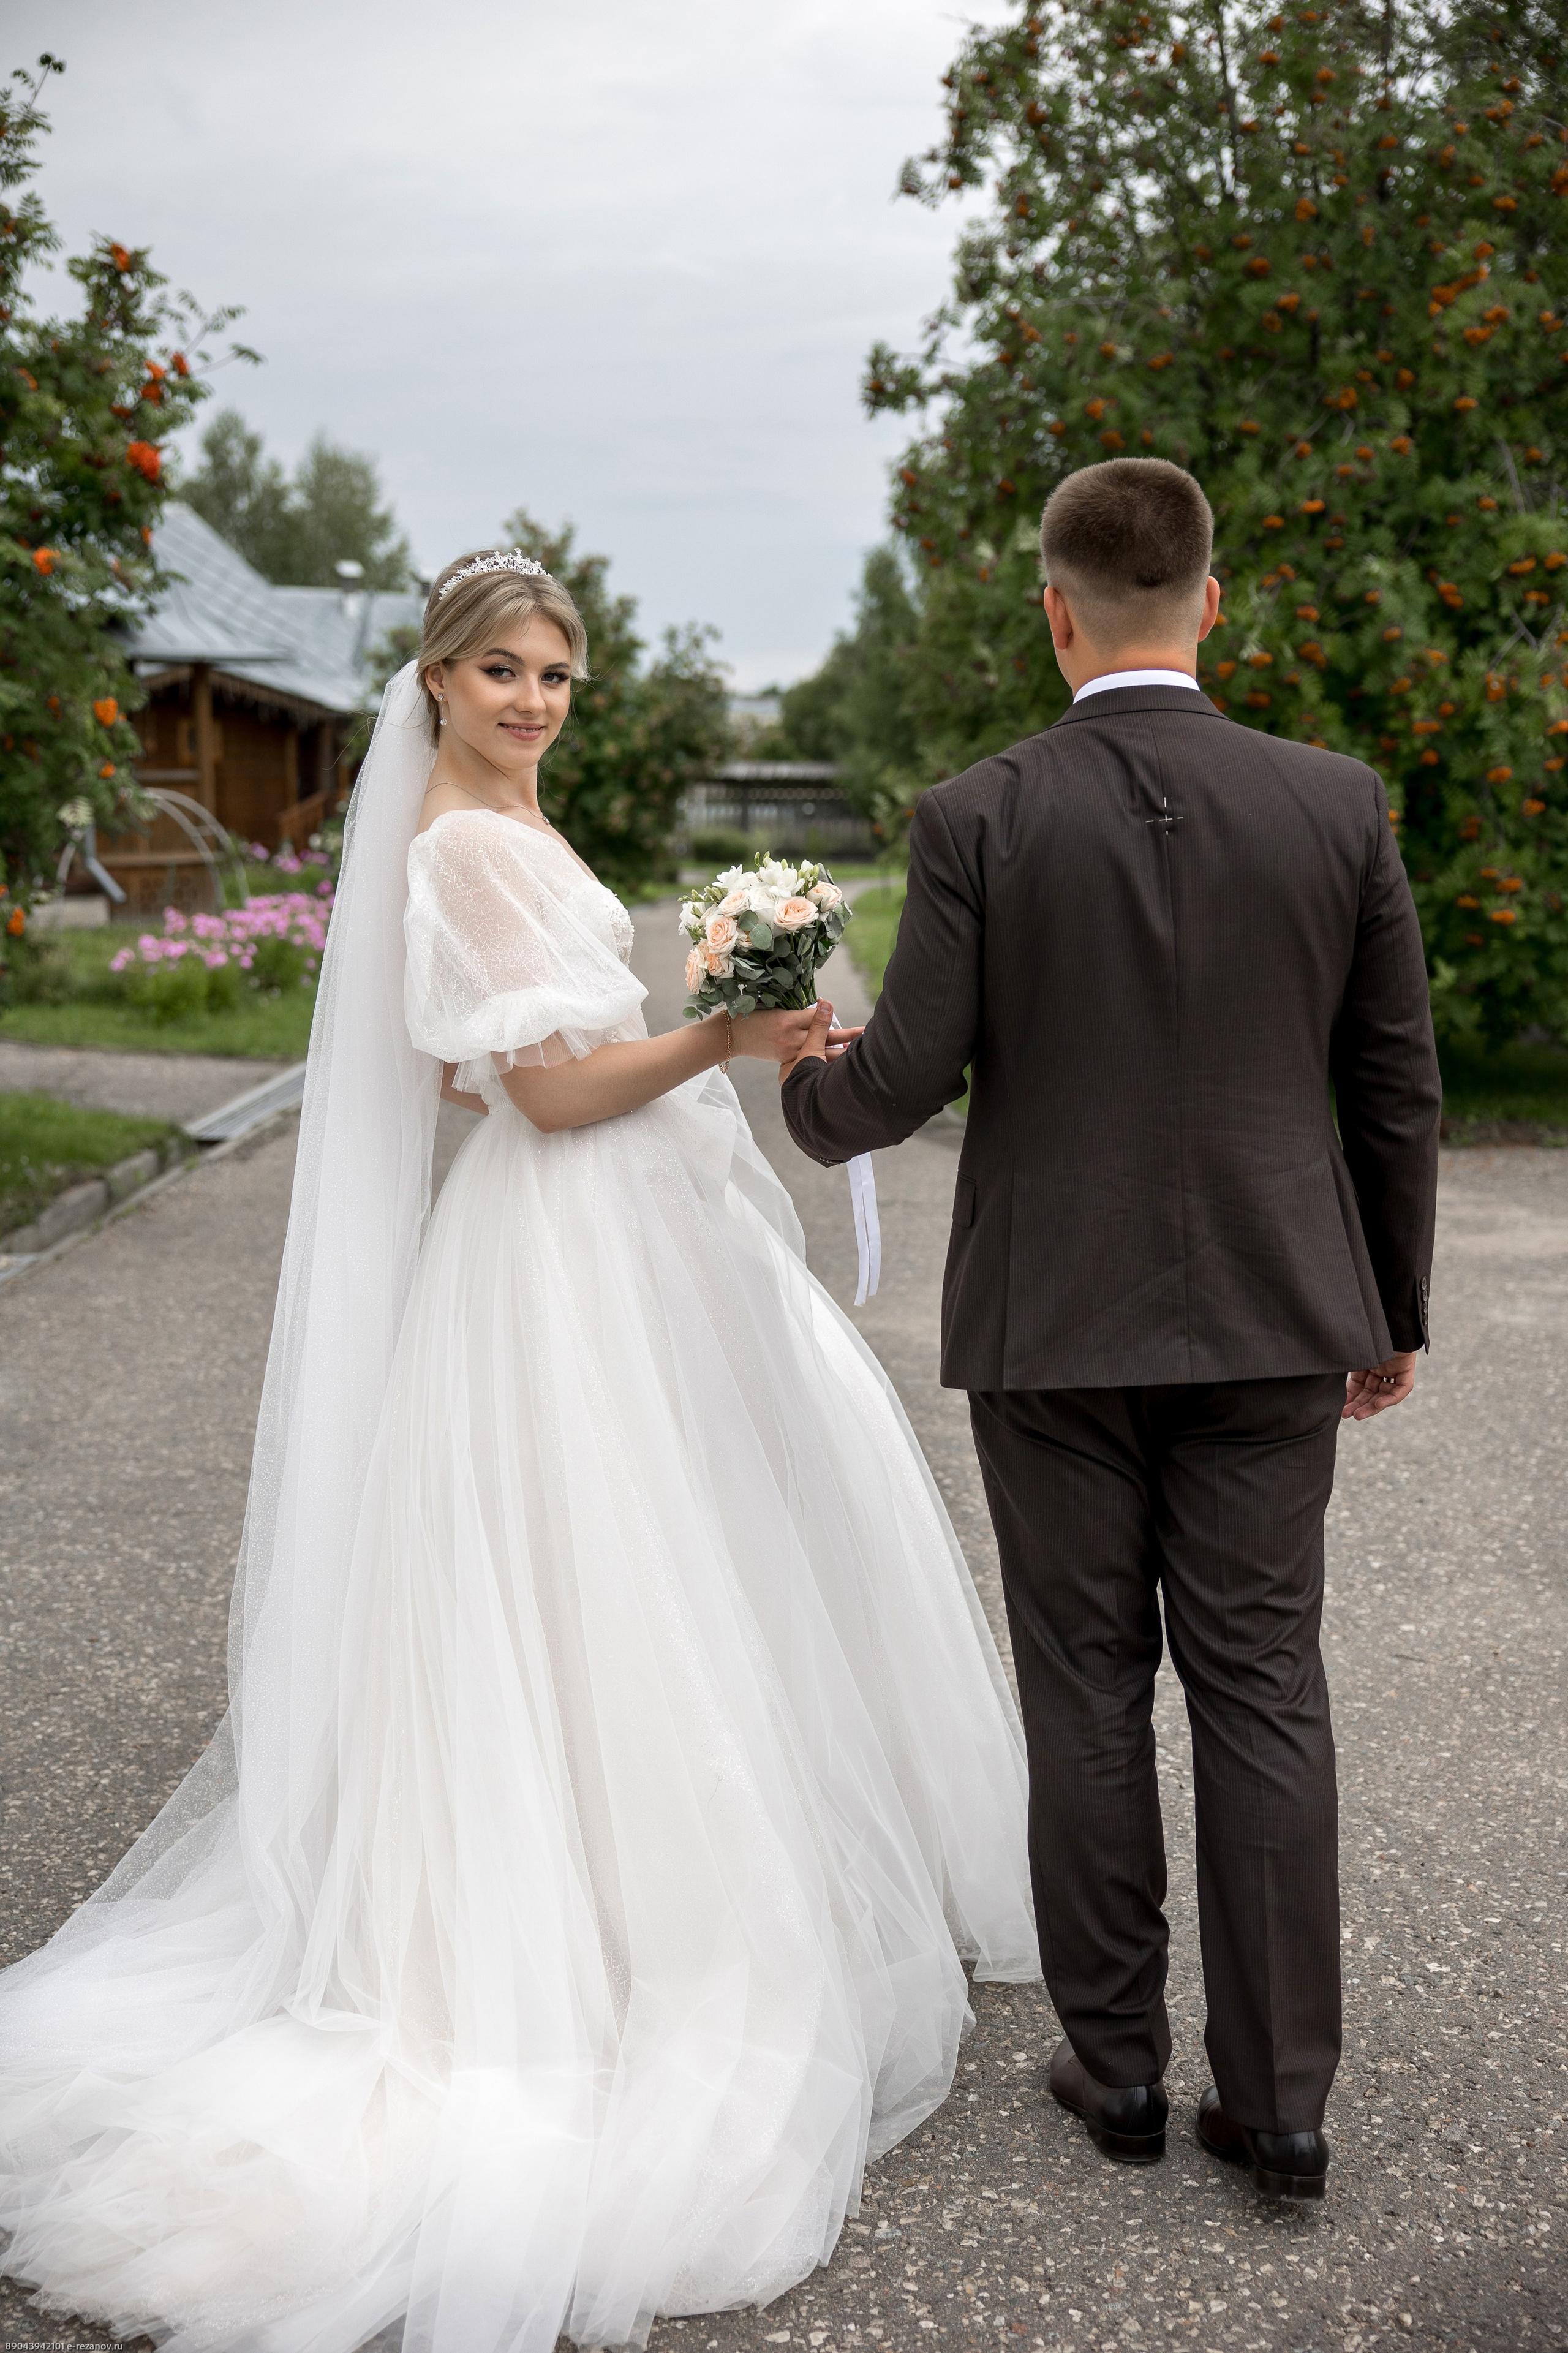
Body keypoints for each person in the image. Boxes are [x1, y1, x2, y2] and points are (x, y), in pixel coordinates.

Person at [0, 550, 1039, 2353]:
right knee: (596, 1570)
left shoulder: (524, 837)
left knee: (651, 1569)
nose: (535, 698)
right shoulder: (465, 850)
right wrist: (720, 1028)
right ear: (434, 686)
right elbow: (544, 1090)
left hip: (615, 1235)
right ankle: (589, 1943)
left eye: (557, 670)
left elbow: (533, 1069)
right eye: (500, 671)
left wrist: (723, 1014)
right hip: (555, 1254)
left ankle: (636, 1905)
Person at [782, 458, 1442, 2203]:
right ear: (1210, 601)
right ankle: (1285, 2103)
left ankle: (1124, 2066)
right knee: (1264, 1688)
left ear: (1056, 613)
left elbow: (903, 1076)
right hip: (1278, 1317)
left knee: (1083, 1690)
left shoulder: (979, 814)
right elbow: (1396, 1085)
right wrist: (1392, 1304)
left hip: (1052, 1330)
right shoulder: (1336, 803)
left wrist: (799, 1083)